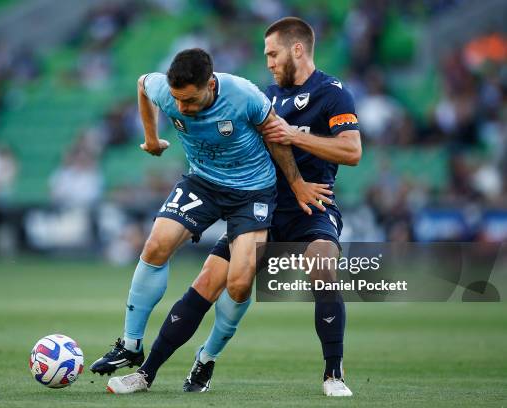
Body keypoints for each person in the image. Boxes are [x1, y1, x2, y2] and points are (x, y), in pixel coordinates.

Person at [103, 17, 361, 397]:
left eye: (272, 53)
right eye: (265, 55)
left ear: (297, 49)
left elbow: (352, 150)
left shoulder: (333, 94)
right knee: (211, 281)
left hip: (309, 204)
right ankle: (148, 371)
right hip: (259, 203)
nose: (269, 61)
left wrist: (292, 138)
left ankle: (333, 375)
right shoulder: (264, 96)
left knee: (322, 266)